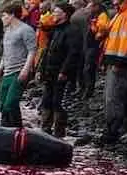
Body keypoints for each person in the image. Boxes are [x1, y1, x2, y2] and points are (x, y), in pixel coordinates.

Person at [100, 0, 127, 142]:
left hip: (122, 62)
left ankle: (114, 130)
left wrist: (119, 61)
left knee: (114, 96)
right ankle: (111, 128)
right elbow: (114, 37)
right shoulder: (121, 12)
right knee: (110, 96)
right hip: (114, 59)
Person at [39, 2, 82, 135]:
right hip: (50, 71)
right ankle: (45, 128)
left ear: (64, 14)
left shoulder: (72, 31)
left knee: (58, 101)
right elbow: (47, 51)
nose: (53, 15)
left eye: (56, 12)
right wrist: (41, 68)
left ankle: (59, 131)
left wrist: (64, 71)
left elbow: (73, 54)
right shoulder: (56, 29)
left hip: (61, 72)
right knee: (47, 99)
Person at [0, 2, 38, 127]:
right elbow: (5, 53)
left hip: (19, 70)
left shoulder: (26, 30)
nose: (2, 19)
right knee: (2, 106)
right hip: (7, 71)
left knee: (11, 103)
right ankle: (6, 128)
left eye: (4, 15)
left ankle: (18, 129)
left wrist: (26, 69)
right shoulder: (7, 31)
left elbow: (32, 50)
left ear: (12, 15)